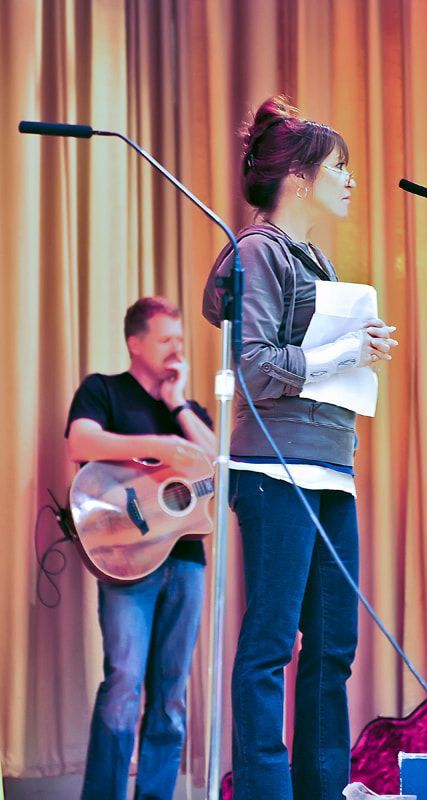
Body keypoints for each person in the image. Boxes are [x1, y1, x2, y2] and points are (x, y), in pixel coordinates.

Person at [203, 96, 398, 800]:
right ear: (301, 177)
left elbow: (303, 361)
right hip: (273, 471)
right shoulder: (258, 250)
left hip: (330, 471)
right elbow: (253, 365)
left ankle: (323, 788)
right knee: (270, 647)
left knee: (332, 649)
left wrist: (354, 357)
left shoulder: (318, 258)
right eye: (339, 167)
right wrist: (344, 349)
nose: (350, 180)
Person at [65, 296, 217, 800]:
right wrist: (158, 444)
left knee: (171, 697)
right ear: (135, 343)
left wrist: (177, 406)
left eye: (180, 338)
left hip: (186, 564)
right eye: (165, 339)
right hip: (127, 564)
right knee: (123, 686)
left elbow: (216, 465)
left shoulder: (187, 410)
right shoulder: (103, 390)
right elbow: (81, 443)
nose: (178, 347)